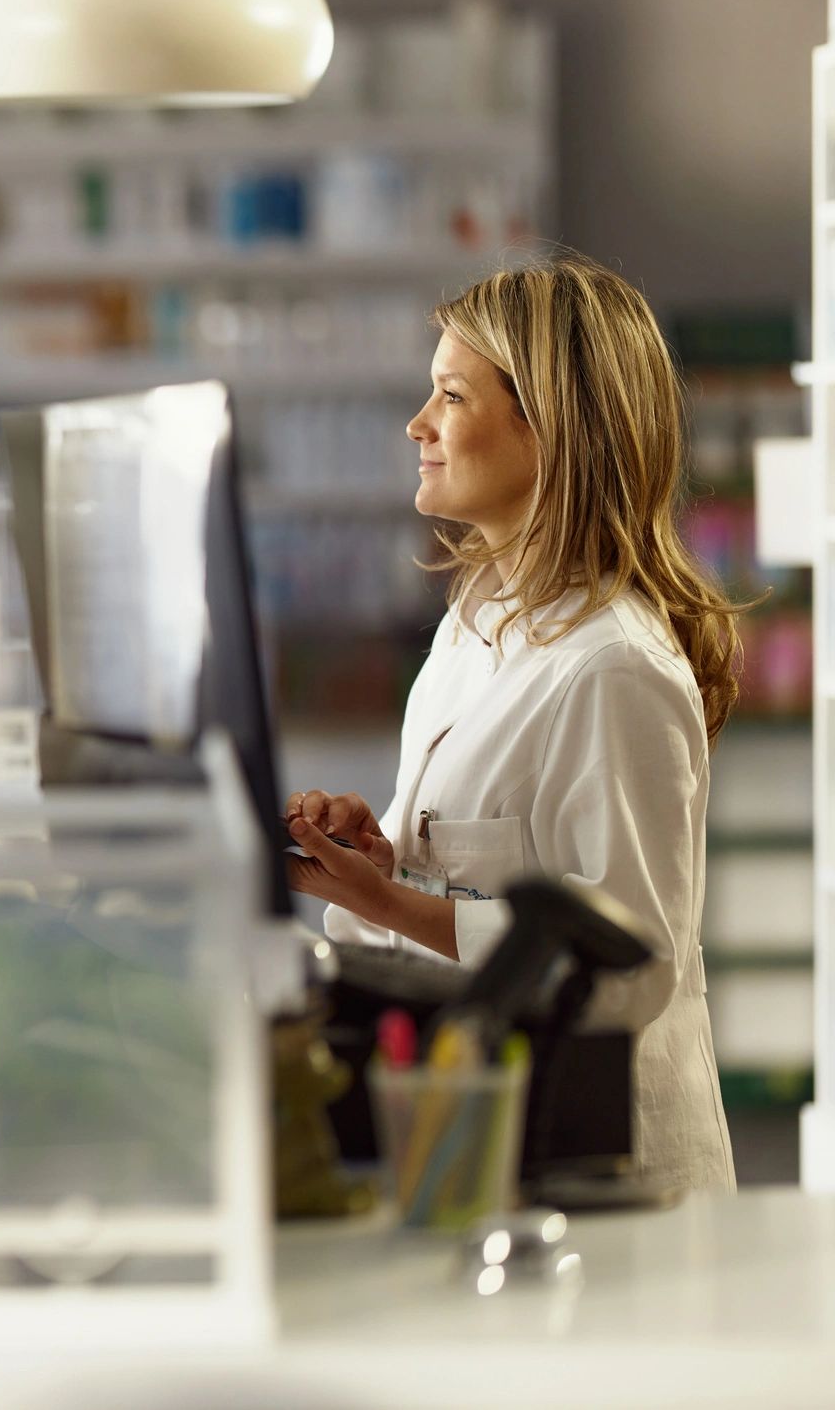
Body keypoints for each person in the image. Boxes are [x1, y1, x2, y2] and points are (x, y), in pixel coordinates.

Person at [284, 252, 741, 1193]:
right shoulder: (477, 621)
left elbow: (626, 969)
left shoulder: (613, 668)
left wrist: (386, 904)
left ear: (551, 429)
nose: (418, 425)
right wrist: (387, 862)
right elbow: (487, 879)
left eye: (451, 396)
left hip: (611, 1179)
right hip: (489, 1130)